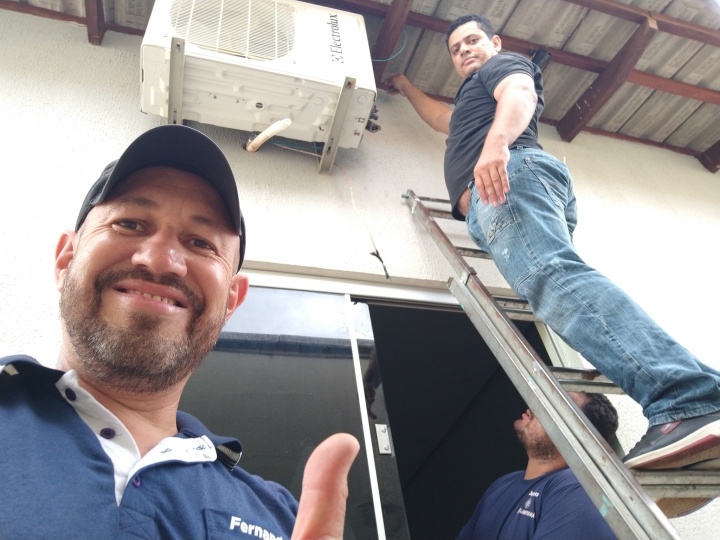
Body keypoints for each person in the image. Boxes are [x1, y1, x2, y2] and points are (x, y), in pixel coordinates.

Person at [388, 14, 720, 472]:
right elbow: (442, 119)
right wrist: (406, 86)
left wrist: (497, 145)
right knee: (560, 284)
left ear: (495, 42)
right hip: (509, 188)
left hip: (508, 178)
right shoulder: (469, 101)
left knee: (554, 280)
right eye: (455, 49)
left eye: (472, 40)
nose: (463, 50)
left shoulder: (499, 68)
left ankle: (688, 400)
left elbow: (520, 92)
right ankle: (692, 402)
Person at [0, 124, 359, 539]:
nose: (160, 260)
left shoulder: (282, 519)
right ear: (66, 260)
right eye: (130, 223)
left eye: (201, 243)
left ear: (231, 302)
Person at [457, 392, 619, 539]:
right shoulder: (501, 484)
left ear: (581, 436)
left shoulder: (580, 489)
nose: (535, 405)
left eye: (553, 403)